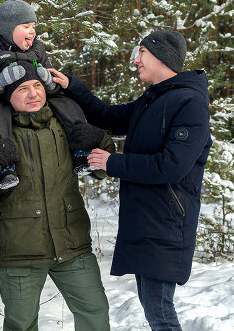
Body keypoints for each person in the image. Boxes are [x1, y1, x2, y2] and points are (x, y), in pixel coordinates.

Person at [49, 30, 212, 331]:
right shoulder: (153, 100)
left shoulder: (190, 103)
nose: (135, 60)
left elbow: (173, 166)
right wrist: (72, 86)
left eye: (142, 54)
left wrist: (114, 163)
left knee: (159, 311)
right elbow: (107, 116)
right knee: (155, 308)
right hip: (147, 220)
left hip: (167, 222)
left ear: (162, 57)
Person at [0, 60, 115, 331]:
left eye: (37, 85)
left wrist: (100, 139)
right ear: (7, 96)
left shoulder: (67, 126)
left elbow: (101, 172)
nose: (33, 93)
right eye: (22, 88)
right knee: (21, 325)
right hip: (19, 251)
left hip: (72, 244)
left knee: (95, 313)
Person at [0, 0, 105, 189]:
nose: (32, 31)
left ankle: (81, 149)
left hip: (35, 98)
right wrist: (0, 80)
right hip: (0, 100)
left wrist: (49, 82)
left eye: (33, 26)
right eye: (26, 26)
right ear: (8, 29)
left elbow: (53, 81)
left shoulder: (37, 49)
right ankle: (6, 166)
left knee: (65, 102)